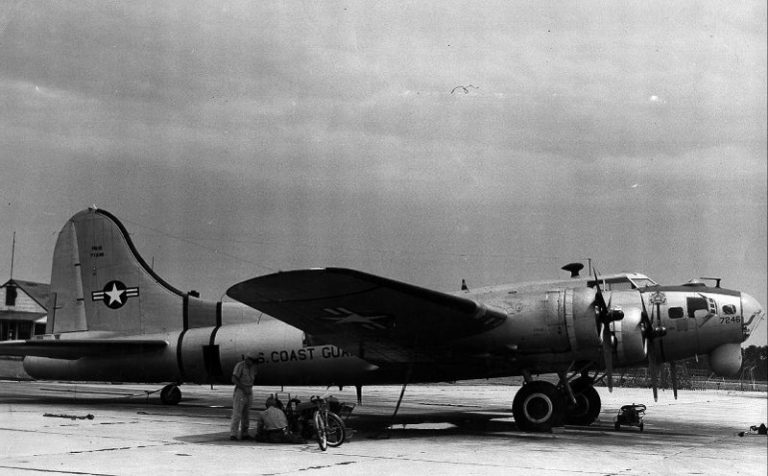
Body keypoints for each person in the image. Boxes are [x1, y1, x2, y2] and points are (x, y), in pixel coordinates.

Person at [229, 352, 258, 441]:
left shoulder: (253, 367)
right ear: (247, 359)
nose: (253, 363)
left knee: (246, 414)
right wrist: (243, 388)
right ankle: (233, 434)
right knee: (237, 413)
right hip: (240, 391)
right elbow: (234, 379)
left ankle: (245, 433)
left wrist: (248, 389)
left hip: (249, 391)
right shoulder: (240, 366)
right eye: (251, 360)